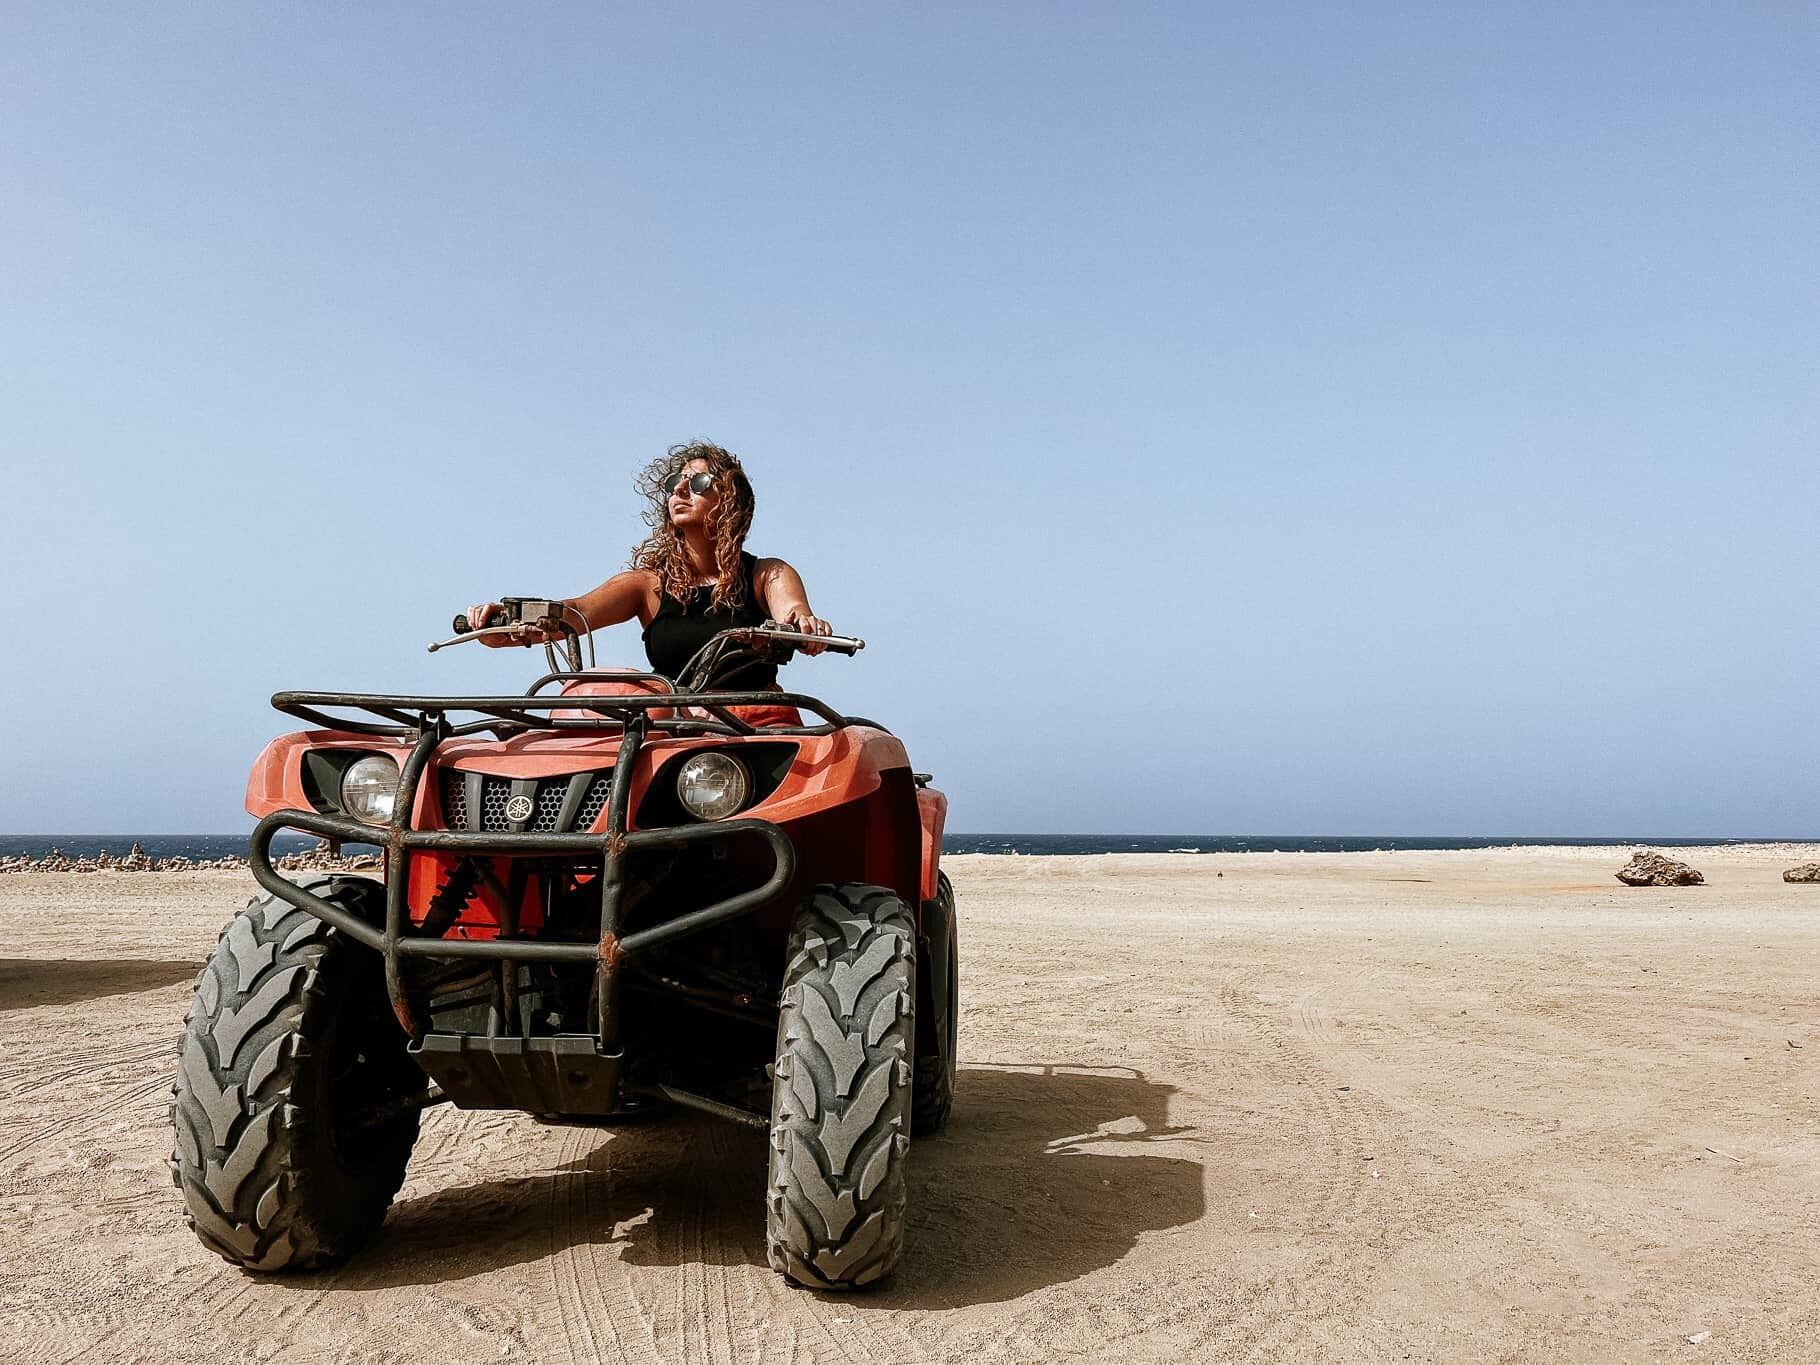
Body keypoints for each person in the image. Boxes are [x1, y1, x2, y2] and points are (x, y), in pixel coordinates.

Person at [464, 442, 834, 723]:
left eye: (700, 482)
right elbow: (575, 612)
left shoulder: (766, 574)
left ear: (730, 500)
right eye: (676, 483)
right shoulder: (646, 586)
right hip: (672, 721)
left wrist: (802, 625)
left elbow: (793, 611)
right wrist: (512, 625)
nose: (680, 491)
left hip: (752, 721)